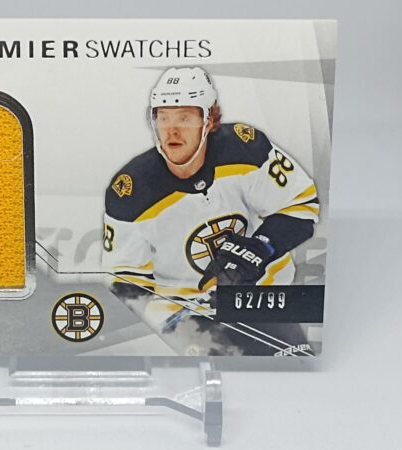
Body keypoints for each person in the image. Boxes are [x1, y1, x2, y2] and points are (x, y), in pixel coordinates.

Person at [102, 67, 319, 356]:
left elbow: (301, 204)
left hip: (258, 300)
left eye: (184, 118)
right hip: (190, 324)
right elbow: (124, 281)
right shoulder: (131, 191)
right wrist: (174, 325)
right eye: (163, 117)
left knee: (295, 370)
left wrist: (259, 247)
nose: (172, 130)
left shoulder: (245, 149)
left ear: (209, 120)